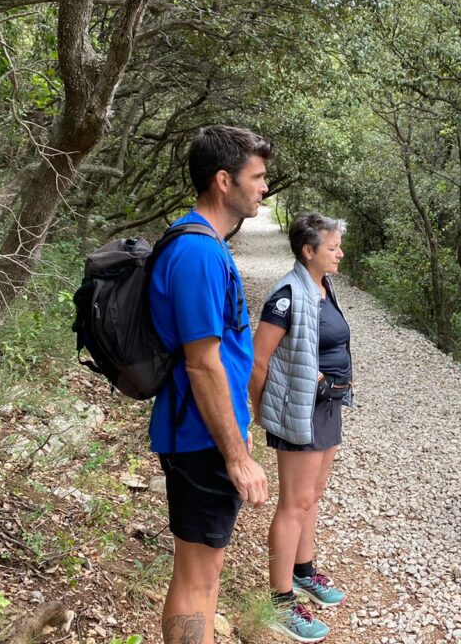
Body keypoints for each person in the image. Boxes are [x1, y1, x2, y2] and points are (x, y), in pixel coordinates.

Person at [148, 125, 272, 644]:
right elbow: (203, 364)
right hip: (200, 437)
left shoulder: (205, 245)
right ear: (224, 181)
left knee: (202, 573)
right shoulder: (198, 253)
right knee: (197, 577)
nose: (264, 187)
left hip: (200, 433)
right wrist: (237, 455)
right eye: (257, 177)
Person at [249, 213, 352, 643]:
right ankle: (281, 599)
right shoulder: (288, 295)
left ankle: (304, 569)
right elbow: (258, 359)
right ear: (309, 251)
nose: (340, 253)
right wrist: (261, 411)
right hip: (298, 411)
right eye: (333, 247)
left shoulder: (323, 286)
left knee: (313, 495)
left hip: (327, 405)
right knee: (293, 503)